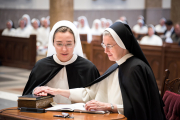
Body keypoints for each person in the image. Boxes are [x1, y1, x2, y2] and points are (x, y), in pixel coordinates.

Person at [34, 21, 165, 120]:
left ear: (123, 43)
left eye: (109, 46)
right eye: (104, 45)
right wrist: (55, 91)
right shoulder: (117, 66)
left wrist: (109, 106)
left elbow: (140, 110)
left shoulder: (136, 68)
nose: (105, 50)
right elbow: (89, 94)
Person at [23, 20, 100, 104]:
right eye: (59, 44)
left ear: (75, 43)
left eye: (69, 44)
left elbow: (97, 98)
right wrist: (36, 93)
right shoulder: (41, 66)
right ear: (53, 43)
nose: (64, 49)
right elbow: (28, 96)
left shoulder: (88, 68)